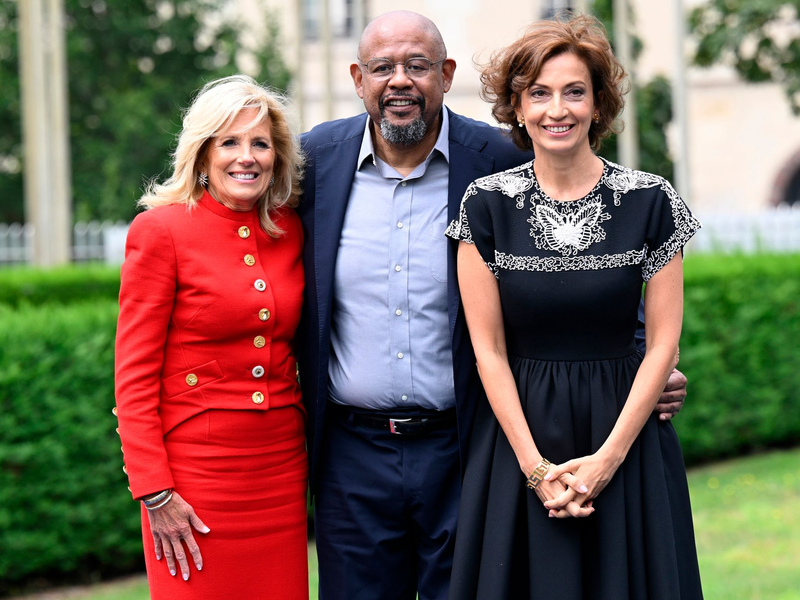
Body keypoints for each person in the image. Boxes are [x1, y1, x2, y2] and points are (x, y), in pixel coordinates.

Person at [297, 11, 688, 600]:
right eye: (383, 67)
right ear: (358, 78)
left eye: (418, 65)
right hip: (360, 451)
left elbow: (604, 287)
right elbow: (242, 237)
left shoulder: (494, 162)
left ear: (446, 74)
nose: (399, 80)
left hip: (467, 442)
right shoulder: (313, 162)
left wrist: (642, 367)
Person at [445, 15, 703, 599]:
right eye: (538, 93)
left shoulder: (650, 199)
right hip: (519, 443)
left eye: (573, 91)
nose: (555, 109)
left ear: (598, 103)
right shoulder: (484, 205)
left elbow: (664, 343)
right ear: (516, 106)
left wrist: (606, 461)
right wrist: (537, 470)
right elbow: (488, 349)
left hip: (627, 437)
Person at [114, 75, 308, 599]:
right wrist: (154, 492)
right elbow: (132, 378)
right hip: (195, 476)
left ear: (277, 157)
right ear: (202, 155)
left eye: (260, 143)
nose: (246, 157)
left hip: (280, 468)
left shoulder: (290, 228)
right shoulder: (161, 231)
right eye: (229, 142)